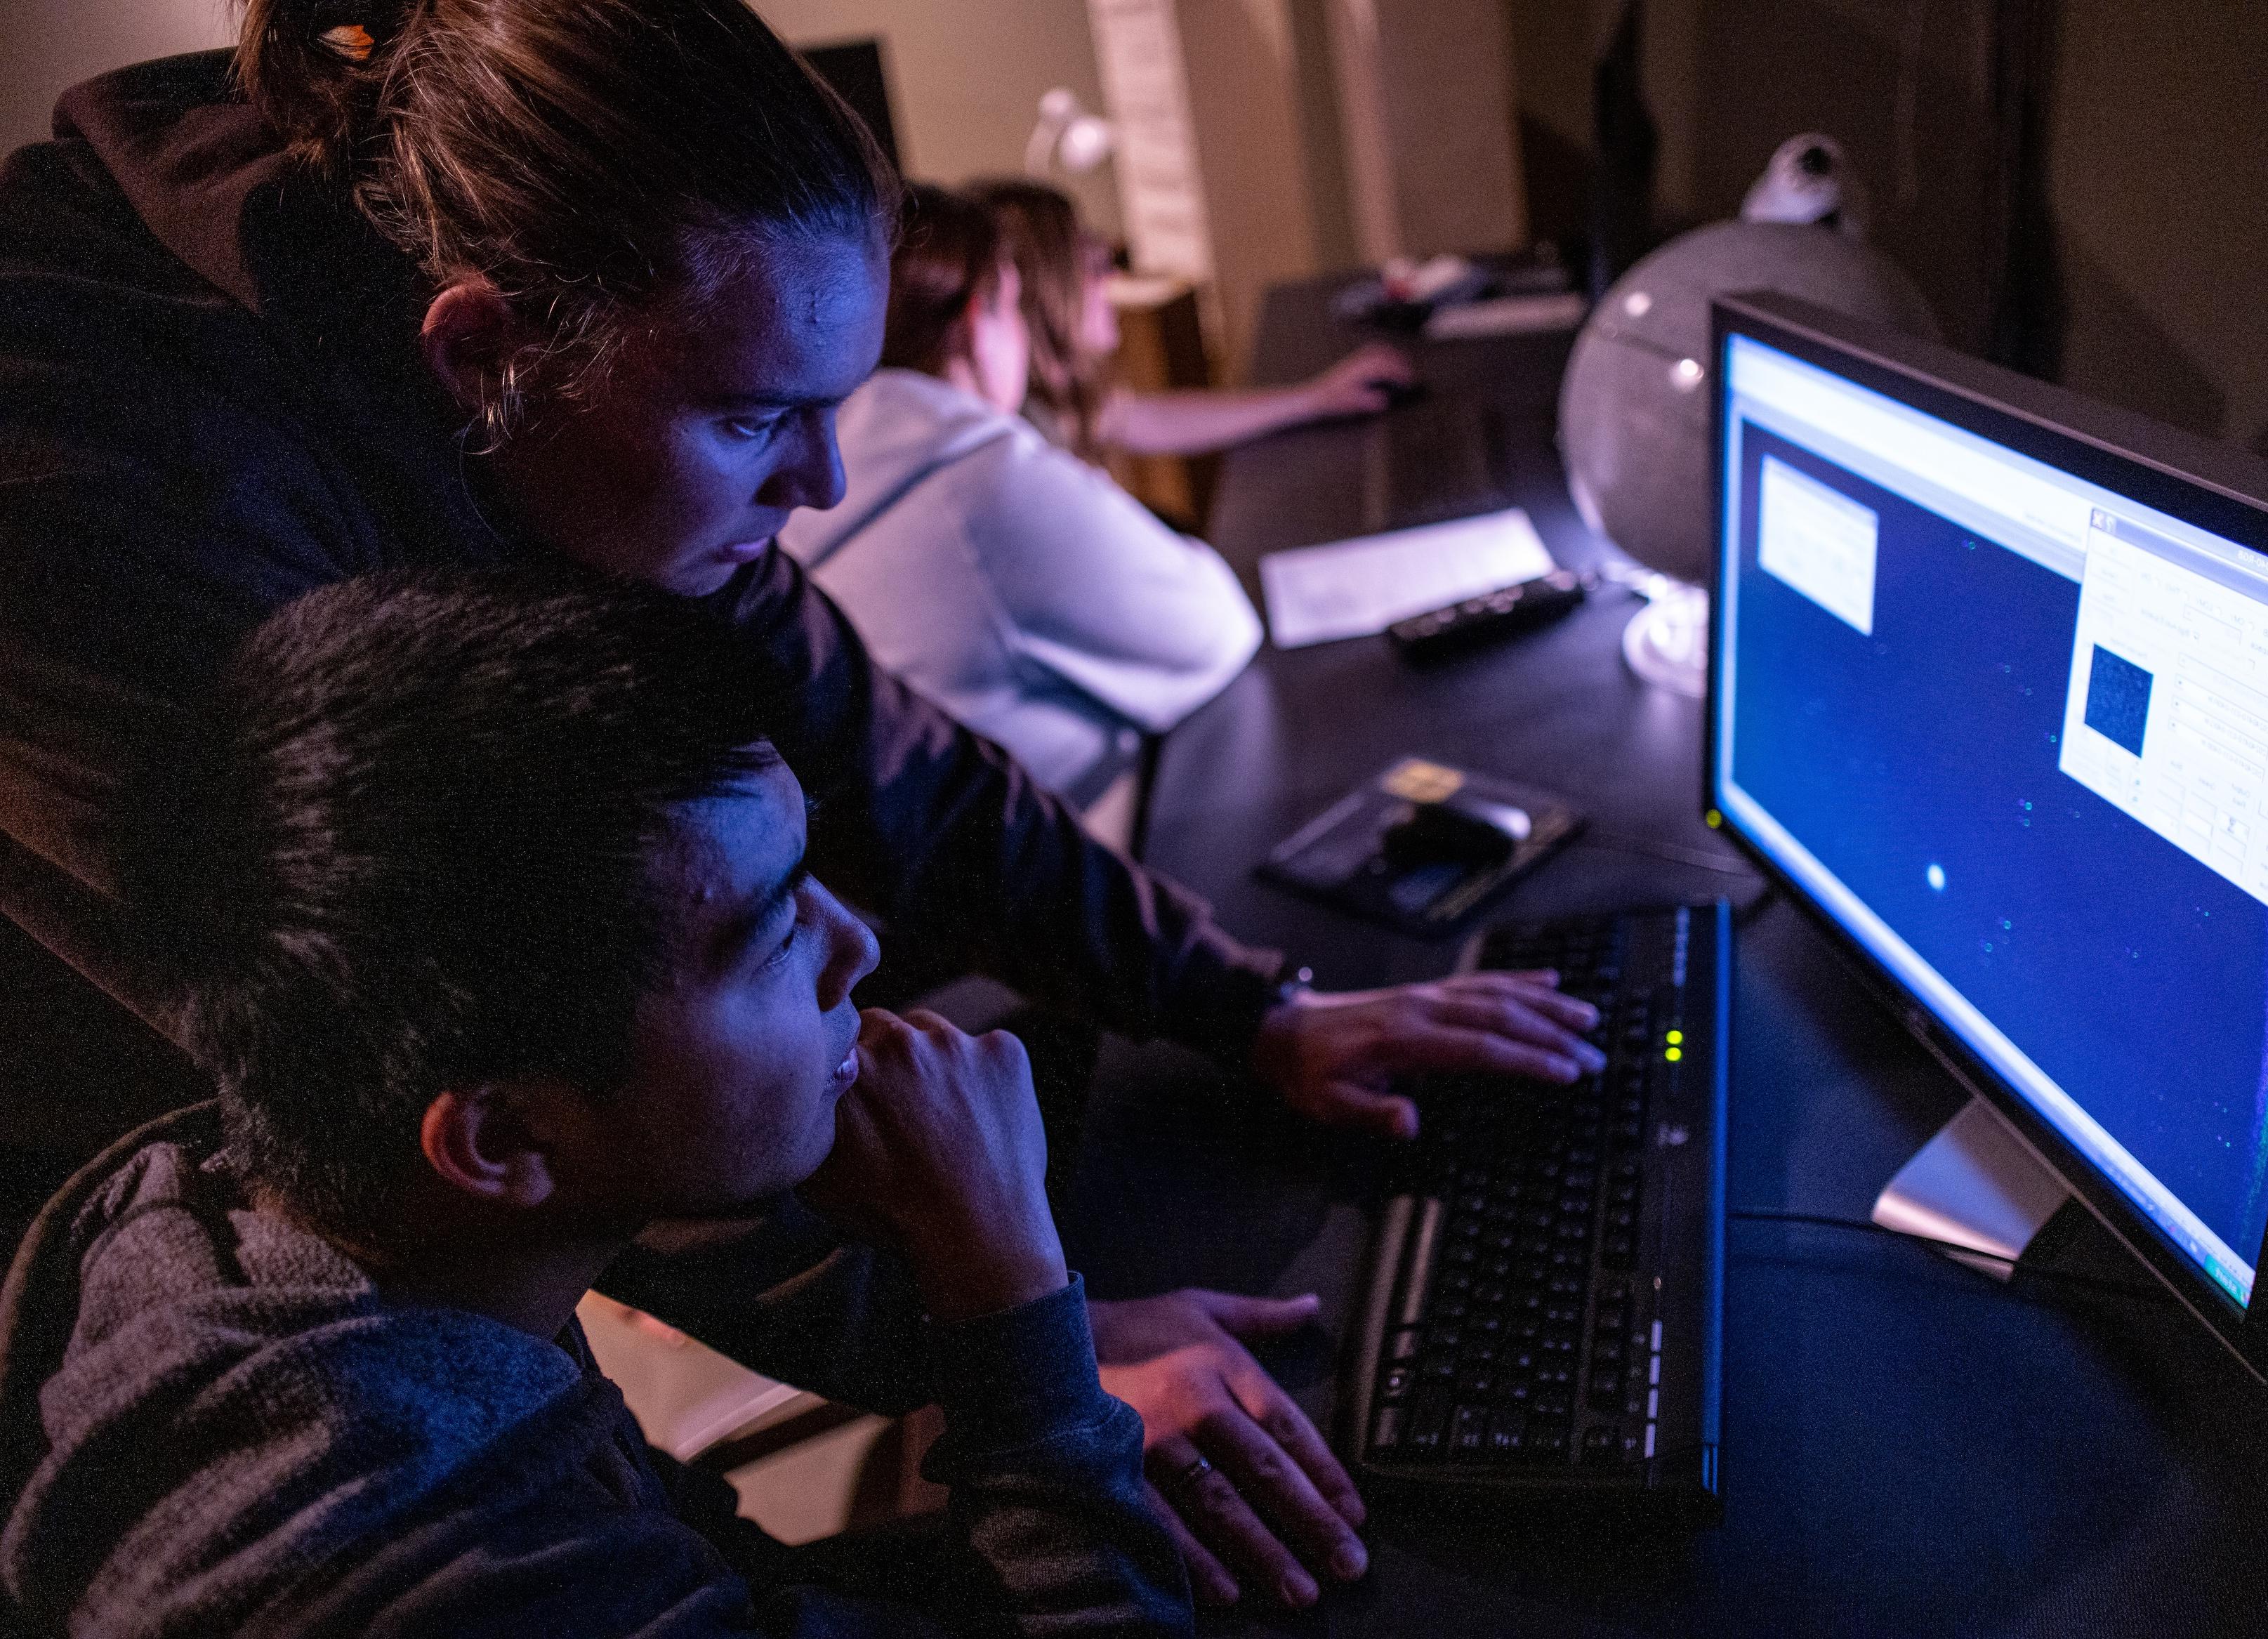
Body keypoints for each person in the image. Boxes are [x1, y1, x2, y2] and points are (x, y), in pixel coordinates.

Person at [0, 0, 1604, 1607]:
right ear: (482, 354)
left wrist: (1256, 1007)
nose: (824, 481)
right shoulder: (115, 514)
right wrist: (1024, 1340)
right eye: (760, 419)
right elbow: (540, 1072)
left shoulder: (572, 400)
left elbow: (867, 741)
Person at [0, 569, 1189, 1635]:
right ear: (504, 1135)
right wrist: (1007, 1282)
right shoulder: (435, 1567)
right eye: (771, 930)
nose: (857, 944)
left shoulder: (221, 1225)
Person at [781, 185, 1261, 811]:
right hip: (1074, 853)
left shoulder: (804, 478)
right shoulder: (976, 476)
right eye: (1013, 306)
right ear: (979, 322)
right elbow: (1213, 628)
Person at [970, 178, 1416, 459]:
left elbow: (1148, 418)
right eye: (1092, 261)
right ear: (1049, 289)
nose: (1111, 277)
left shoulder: (1055, 403)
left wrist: (1314, 398)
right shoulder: (1023, 444)